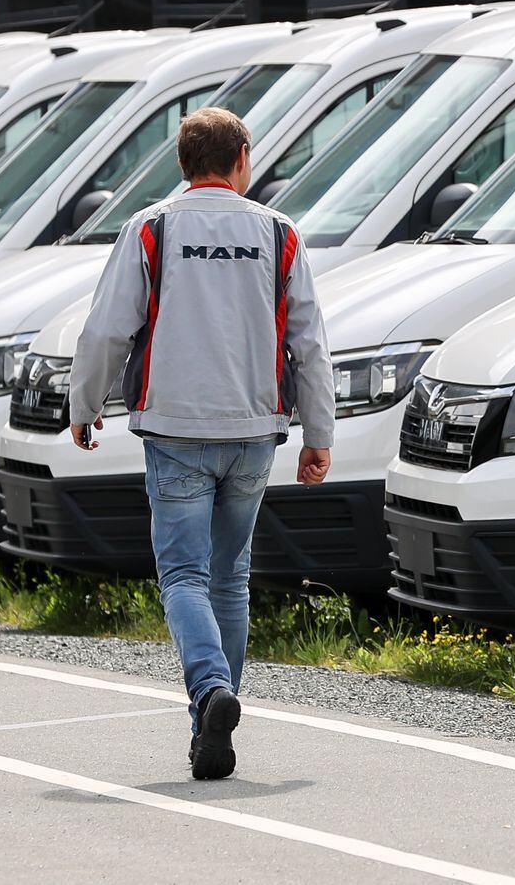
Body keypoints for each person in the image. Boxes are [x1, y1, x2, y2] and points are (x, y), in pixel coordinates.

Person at [68, 106, 333, 780]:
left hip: (176, 429)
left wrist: (85, 403)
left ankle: (211, 692)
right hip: (254, 431)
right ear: (241, 157)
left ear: (184, 163)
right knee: (230, 577)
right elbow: (309, 342)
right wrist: (318, 435)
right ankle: (209, 727)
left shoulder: (151, 228)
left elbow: (107, 330)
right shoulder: (280, 234)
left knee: (183, 575)